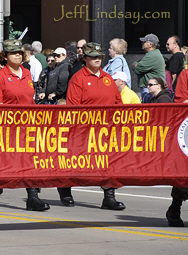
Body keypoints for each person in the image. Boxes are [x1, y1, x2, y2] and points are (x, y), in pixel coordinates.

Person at [0, 39, 51, 211]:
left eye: (19, 53)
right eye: (13, 53)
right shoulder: (0, 76)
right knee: (2, 162)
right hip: (7, 127)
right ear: (5, 56)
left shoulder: (26, 73)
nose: (17, 55)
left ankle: (32, 197)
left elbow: (29, 98)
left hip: (27, 126)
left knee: (29, 161)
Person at [64, 42, 125, 210]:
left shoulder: (107, 78)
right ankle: (65, 188)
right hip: (84, 130)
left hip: (106, 130)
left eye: (99, 57)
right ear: (85, 59)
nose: (97, 59)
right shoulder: (78, 78)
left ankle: (109, 196)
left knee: (108, 163)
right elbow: (73, 107)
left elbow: (118, 103)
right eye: (93, 56)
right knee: (75, 163)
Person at [133, 33, 165, 101]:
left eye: (144, 42)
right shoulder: (151, 54)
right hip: (150, 89)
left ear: (150, 44)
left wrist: (135, 64)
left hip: (151, 90)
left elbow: (137, 69)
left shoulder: (152, 55)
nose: (142, 43)